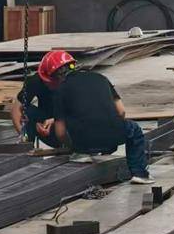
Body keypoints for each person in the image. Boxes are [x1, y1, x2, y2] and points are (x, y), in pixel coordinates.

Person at [21, 51, 151, 183]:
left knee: (71, 124)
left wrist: (71, 147)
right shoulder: (100, 78)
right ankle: (139, 174)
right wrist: (110, 130)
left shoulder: (60, 90)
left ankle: (81, 153)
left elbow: (60, 133)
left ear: (53, 77)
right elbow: (121, 112)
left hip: (83, 142)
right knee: (134, 129)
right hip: (113, 138)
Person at [10, 50, 74, 148]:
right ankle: (29, 145)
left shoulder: (75, 84)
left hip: (70, 128)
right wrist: (24, 135)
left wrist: (54, 120)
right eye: (48, 82)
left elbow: (82, 112)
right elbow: (16, 110)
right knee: (26, 110)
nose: (50, 85)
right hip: (48, 128)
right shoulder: (36, 81)